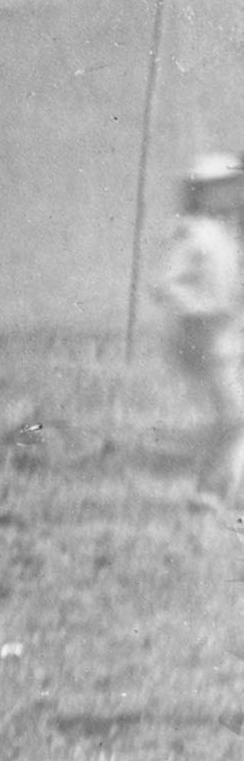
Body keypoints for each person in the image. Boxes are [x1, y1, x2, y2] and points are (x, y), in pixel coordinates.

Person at [156, 150, 244, 511]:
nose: (229, 194)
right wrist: (203, 310)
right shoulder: (192, 232)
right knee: (234, 416)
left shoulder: (227, 232)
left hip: (227, 338)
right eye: (218, 187)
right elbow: (165, 284)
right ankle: (209, 491)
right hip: (204, 340)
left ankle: (225, 492)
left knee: (236, 418)